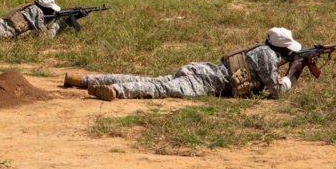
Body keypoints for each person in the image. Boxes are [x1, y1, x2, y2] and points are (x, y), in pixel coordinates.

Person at [64, 27, 309, 101]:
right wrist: (295, 72)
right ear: (284, 49)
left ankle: (83, 80)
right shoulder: (267, 56)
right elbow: (276, 91)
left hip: (200, 70)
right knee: (157, 89)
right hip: (204, 81)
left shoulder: (261, 49)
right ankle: (116, 91)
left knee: (150, 81)